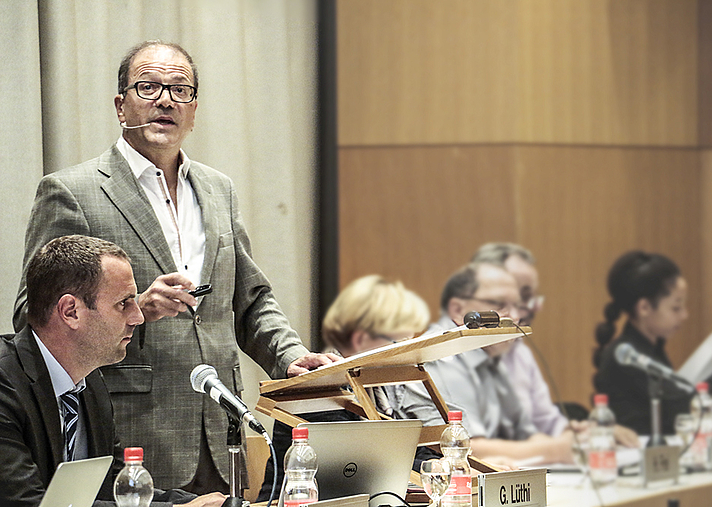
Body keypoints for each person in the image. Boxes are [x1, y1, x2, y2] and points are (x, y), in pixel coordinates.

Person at [13, 40, 336, 493]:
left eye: (180, 90)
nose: (165, 100)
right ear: (120, 106)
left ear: (194, 109)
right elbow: (33, 313)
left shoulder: (217, 188)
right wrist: (135, 306)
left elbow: (249, 298)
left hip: (222, 429)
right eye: (148, 87)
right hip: (133, 432)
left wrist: (291, 357)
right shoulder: (72, 191)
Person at [0, 235, 226, 507]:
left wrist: (201, 503)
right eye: (124, 303)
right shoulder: (5, 382)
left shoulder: (90, 381)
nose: (138, 317)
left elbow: (118, 491)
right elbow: (24, 502)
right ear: (70, 311)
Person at [257, 275, 438, 500]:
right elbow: (369, 462)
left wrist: (434, 463)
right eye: (395, 343)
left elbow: (405, 444)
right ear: (360, 338)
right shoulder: (319, 387)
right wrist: (426, 467)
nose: (403, 355)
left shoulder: (379, 387)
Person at [388, 263, 576, 467]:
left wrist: (569, 442)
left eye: (517, 305)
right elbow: (465, 446)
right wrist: (557, 449)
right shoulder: (439, 355)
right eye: (499, 304)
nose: (513, 316)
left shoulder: (488, 352)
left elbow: (524, 433)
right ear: (459, 310)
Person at [471, 242, 639, 448]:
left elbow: (548, 423)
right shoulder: (456, 356)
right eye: (522, 296)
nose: (536, 307)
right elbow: (470, 447)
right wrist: (554, 449)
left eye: (532, 297)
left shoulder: (520, 352)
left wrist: (593, 432)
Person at [593, 250, 712, 435]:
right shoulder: (626, 356)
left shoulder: (653, 348)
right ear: (644, 308)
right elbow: (685, 410)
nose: (684, 315)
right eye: (676, 307)